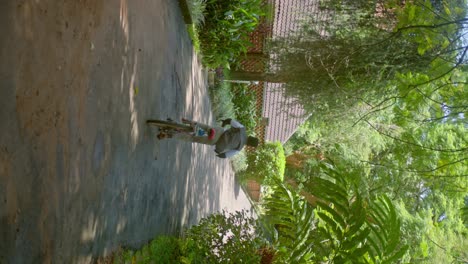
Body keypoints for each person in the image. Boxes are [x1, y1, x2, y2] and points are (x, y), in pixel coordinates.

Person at [158, 118, 259, 158]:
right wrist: (218, 153)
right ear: (249, 145)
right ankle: (168, 135)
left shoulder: (242, 129)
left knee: (206, 127)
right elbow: (225, 155)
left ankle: (191, 122)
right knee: (192, 138)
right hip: (214, 141)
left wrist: (224, 123)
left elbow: (231, 121)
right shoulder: (238, 149)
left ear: (251, 136)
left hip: (220, 131)